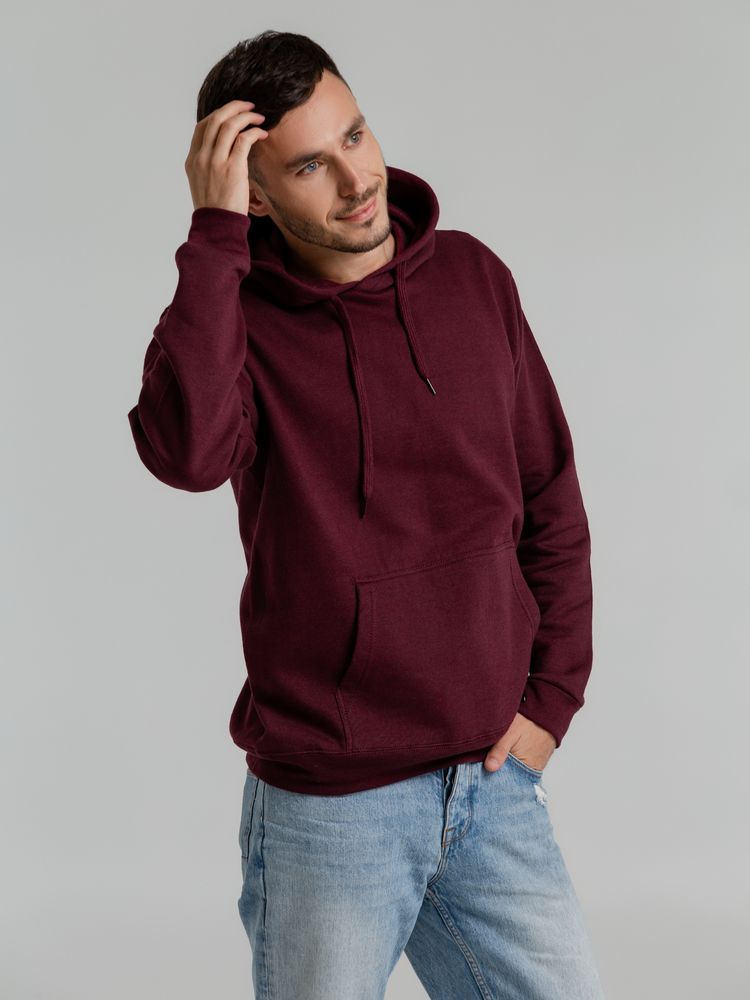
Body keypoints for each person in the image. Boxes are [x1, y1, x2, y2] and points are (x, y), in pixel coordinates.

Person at [127, 28, 606, 1000]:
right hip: (332, 809)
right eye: (310, 164)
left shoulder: (474, 279)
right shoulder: (233, 321)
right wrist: (212, 240)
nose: (356, 179)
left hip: (492, 782)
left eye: (355, 135)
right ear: (255, 194)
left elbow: (549, 493)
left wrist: (550, 701)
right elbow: (186, 455)